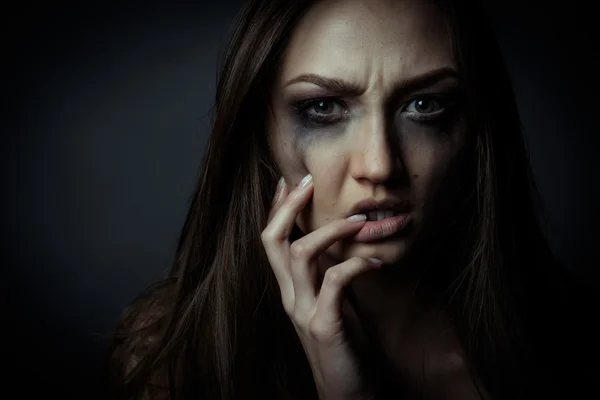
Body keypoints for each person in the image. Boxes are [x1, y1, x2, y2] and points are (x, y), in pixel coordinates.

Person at [109, 0, 598, 398]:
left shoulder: (563, 344)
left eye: (424, 106)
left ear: (475, 132)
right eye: (322, 109)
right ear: (261, 135)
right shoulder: (175, 356)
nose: (380, 166)